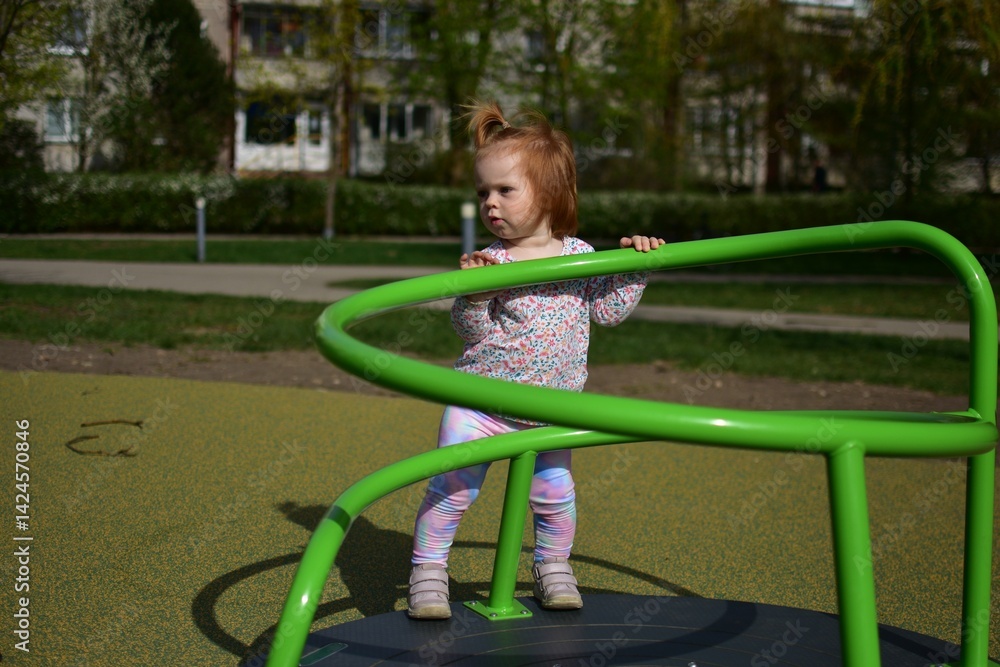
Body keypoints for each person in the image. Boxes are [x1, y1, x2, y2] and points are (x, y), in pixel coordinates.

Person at [407, 100, 665, 620]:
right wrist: (475, 294)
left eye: (505, 190)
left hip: (550, 409)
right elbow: (468, 330)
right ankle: (428, 571)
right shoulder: (492, 262)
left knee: (554, 498)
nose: (490, 204)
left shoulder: (582, 257)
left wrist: (636, 267)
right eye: (483, 193)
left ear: (550, 192)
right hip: (481, 403)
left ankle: (553, 567)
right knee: (452, 490)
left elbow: (611, 312)